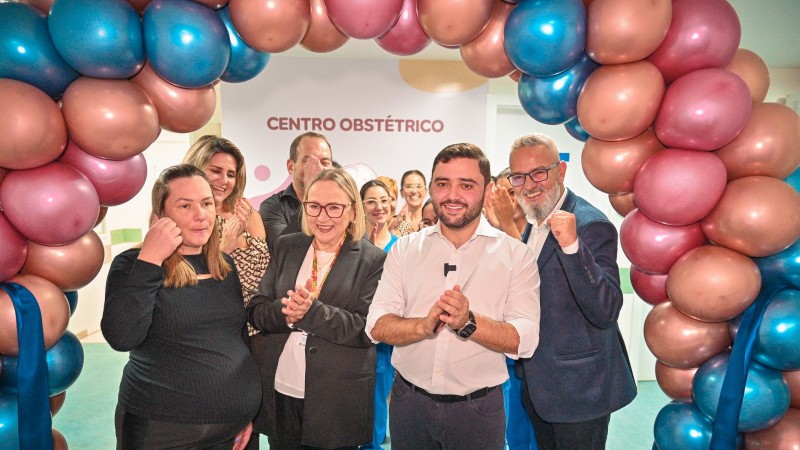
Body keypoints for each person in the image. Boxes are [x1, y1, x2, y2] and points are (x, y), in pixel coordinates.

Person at [366, 143, 541, 450]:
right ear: (432, 187)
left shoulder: (516, 255)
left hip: (479, 412)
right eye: (443, 183)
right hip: (410, 405)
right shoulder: (405, 250)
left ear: (487, 192)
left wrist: (469, 322)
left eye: (467, 185)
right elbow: (377, 325)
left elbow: (525, 340)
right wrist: (422, 327)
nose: (452, 195)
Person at [102, 164, 260, 449]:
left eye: (206, 203)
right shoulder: (132, 265)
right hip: (163, 431)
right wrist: (150, 259)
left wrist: (246, 412)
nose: (200, 215)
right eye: (185, 205)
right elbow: (122, 337)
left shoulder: (225, 266)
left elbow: (237, 339)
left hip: (234, 432)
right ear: (159, 217)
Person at [508, 133, 636, 450]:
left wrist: (571, 247)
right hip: (540, 385)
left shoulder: (591, 223)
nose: (530, 184)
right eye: (519, 177)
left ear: (561, 171)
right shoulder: (533, 220)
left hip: (581, 391)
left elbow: (607, 308)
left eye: (539, 172)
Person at [248, 168, 386, 449]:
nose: (322, 217)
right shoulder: (287, 246)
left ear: (351, 210)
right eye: (314, 206)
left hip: (335, 398)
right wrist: (285, 312)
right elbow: (257, 310)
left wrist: (312, 313)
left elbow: (367, 329)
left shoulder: (373, 260)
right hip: (281, 390)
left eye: (334, 207)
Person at [183, 135, 269, 337]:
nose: (224, 181)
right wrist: (225, 247)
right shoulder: (185, 218)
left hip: (256, 329)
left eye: (231, 174)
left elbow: (265, 278)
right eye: (215, 171)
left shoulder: (249, 215)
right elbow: (187, 285)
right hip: (211, 327)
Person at [485, 168, 537, 450]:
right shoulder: (487, 235)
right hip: (496, 353)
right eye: (502, 192)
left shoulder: (539, 230)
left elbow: (530, 277)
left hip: (531, 356)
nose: (509, 199)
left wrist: (505, 223)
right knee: (509, 433)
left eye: (513, 191)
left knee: (530, 435)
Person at [359, 179, 398, 450]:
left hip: (385, 342)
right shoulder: (352, 245)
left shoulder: (402, 246)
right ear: (360, 206)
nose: (379, 207)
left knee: (376, 410)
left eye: (384, 200)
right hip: (353, 336)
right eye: (371, 201)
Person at [259, 132, 333, 254]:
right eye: (309, 161)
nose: (319, 169)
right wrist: (312, 194)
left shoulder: (343, 206)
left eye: (325, 162)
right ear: (291, 166)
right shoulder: (272, 206)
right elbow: (283, 250)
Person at [394, 170, 428, 236]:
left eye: (418, 186)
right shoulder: (395, 222)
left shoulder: (434, 221)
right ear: (401, 192)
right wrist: (404, 227)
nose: (414, 191)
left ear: (426, 191)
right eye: (409, 186)